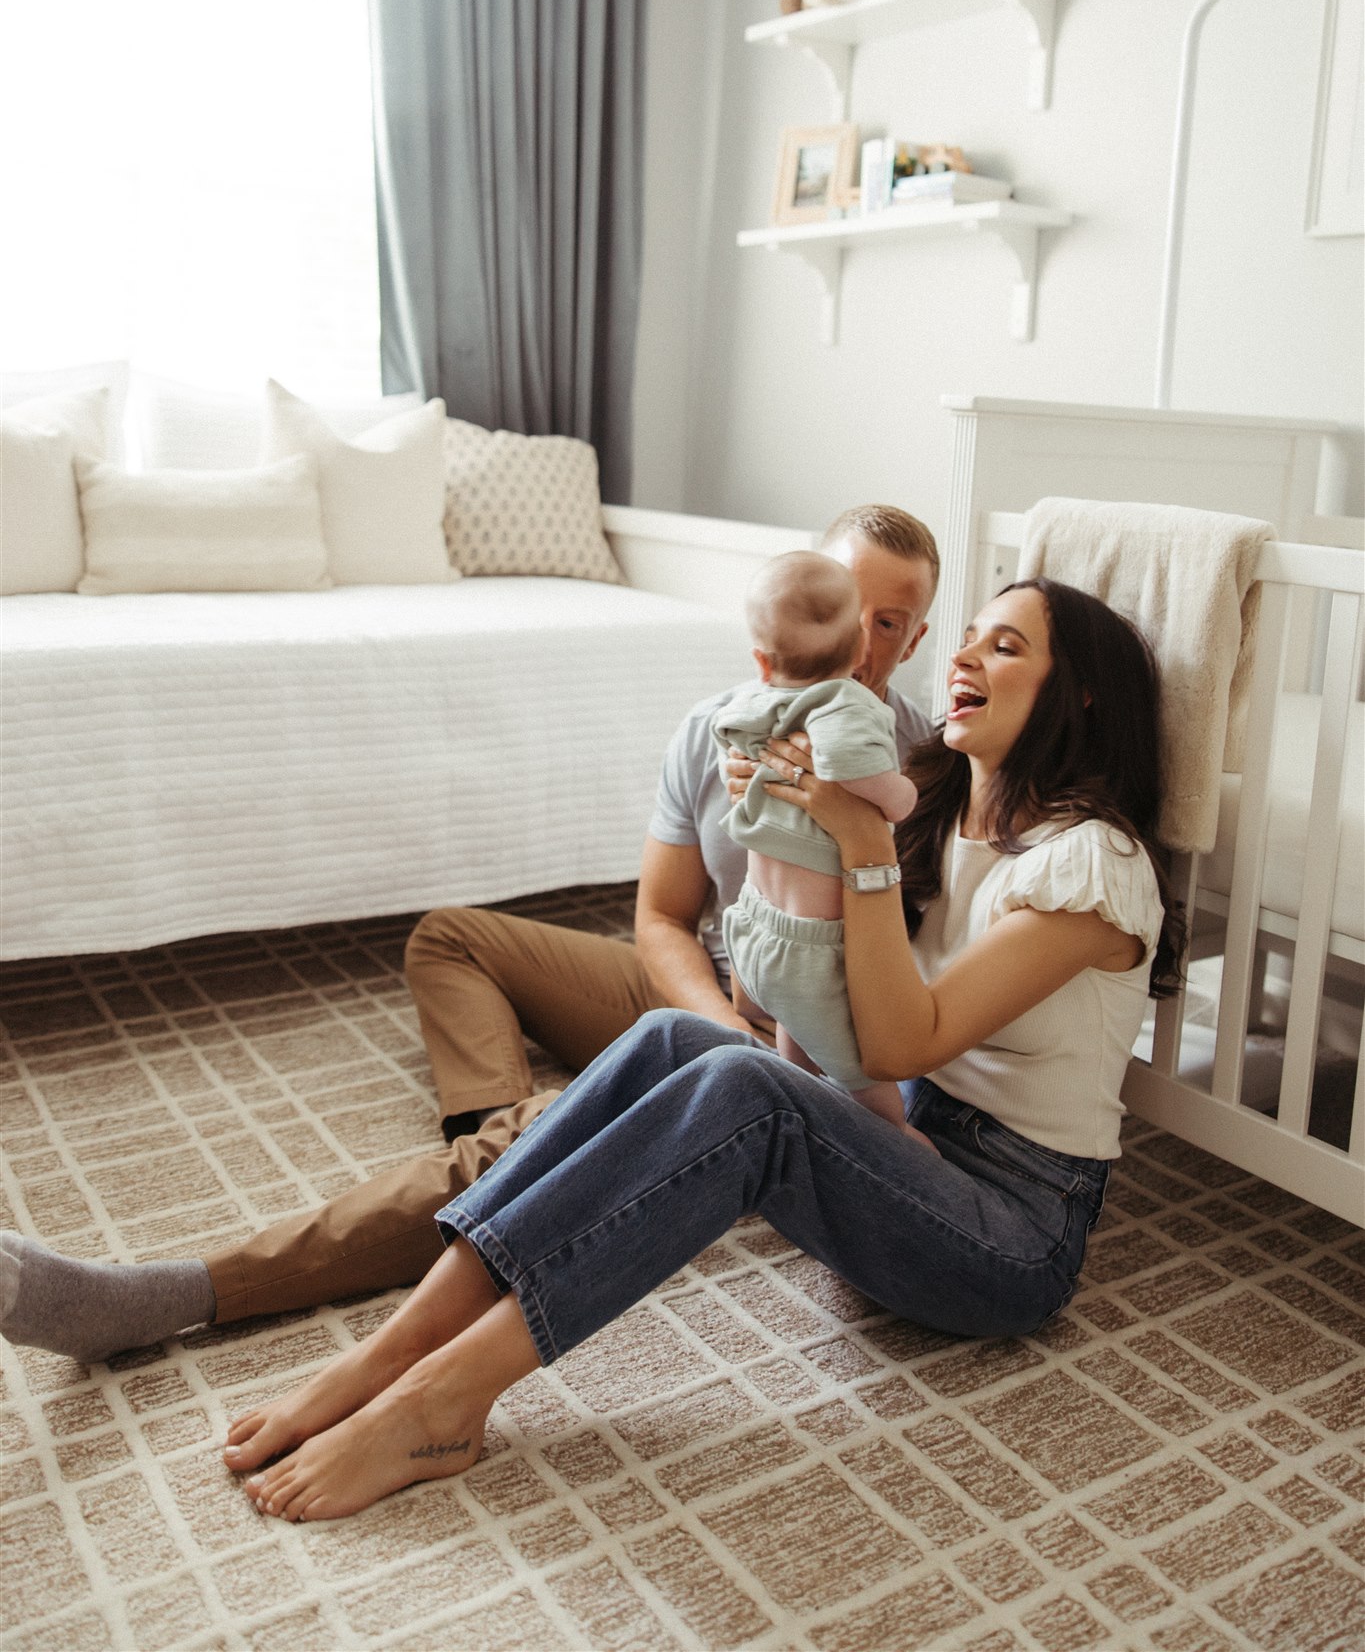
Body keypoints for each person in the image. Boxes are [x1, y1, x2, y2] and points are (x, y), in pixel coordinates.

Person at [226, 576, 1186, 1524]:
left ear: (1081, 694)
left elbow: (901, 1037)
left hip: (1008, 1232)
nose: (964, 658)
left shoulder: (1092, 866)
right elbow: (824, 983)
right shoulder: (937, 811)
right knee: (674, 1037)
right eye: (967, 637)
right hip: (907, 1149)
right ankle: (396, 1352)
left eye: (1005, 646)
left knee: (744, 1089)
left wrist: (855, 840)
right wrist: (785, 815)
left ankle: (442, 1405)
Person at [0, 505, 940, 1364]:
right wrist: (717, 1023)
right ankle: (505, 1130)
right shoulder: (716, 729)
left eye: (891, 622)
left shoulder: (922, 762)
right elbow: (660, 917)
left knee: (544, 1134)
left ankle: (177, 1292)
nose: (862, 639)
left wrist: (756, 1052)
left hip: (820, 1026)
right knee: (451, 938)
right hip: (726, 996)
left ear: (909, 634)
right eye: (851, 605)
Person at [713, 550, 919, 1126]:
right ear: (859, 650)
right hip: (811, 946)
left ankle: (803, 1121)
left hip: (753, 923)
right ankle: (905, 1147)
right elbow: (850, 765)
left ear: (759, 660)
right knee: (870, 1085)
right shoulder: (845, 701)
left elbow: (728, 746)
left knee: (796, 1053)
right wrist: (899, 796)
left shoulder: (750, 703)